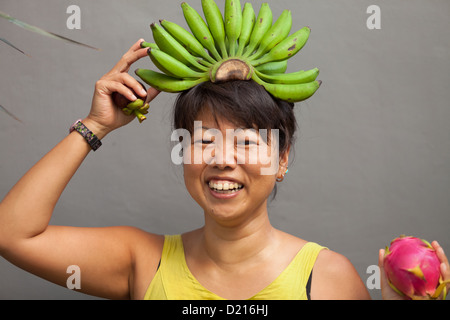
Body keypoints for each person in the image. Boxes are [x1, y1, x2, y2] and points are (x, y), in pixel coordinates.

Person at [0, 40, 448, 300]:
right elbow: (13, 235)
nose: (222, 159)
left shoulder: (328, 278)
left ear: (282, 158)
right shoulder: (140, 261)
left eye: (248, 142)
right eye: (204, 140)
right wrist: (95, 125)